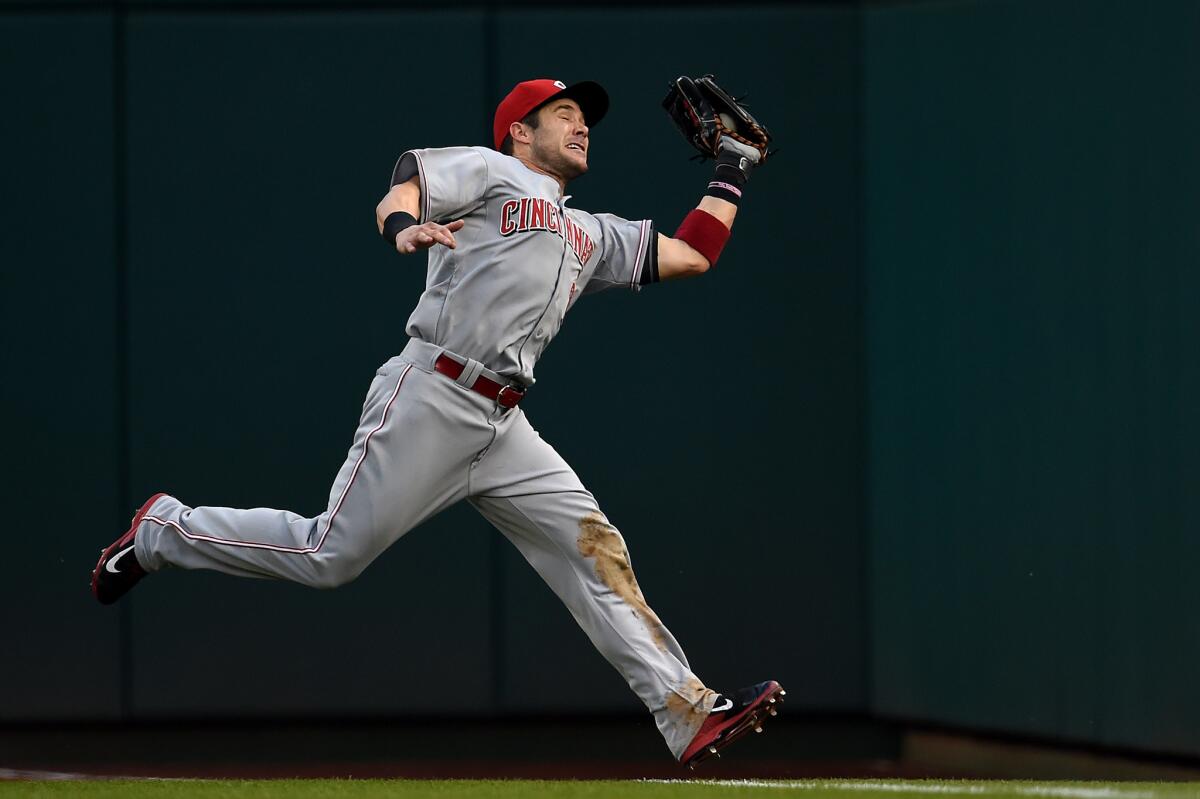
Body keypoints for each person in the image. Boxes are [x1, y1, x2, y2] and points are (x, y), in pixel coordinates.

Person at [92, 77, 783, 767]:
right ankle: (160, 530)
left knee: (591, 545)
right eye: (564, 115)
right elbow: (405, 183)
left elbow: (692, 254)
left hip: (504, 422)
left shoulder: (588, 231)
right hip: (433, 393)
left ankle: (687, 709)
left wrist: (732, 166)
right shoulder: (493, 172)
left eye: (586, 120)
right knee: (328, 554)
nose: (582, 127)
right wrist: (402, 226)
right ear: (520, 130)